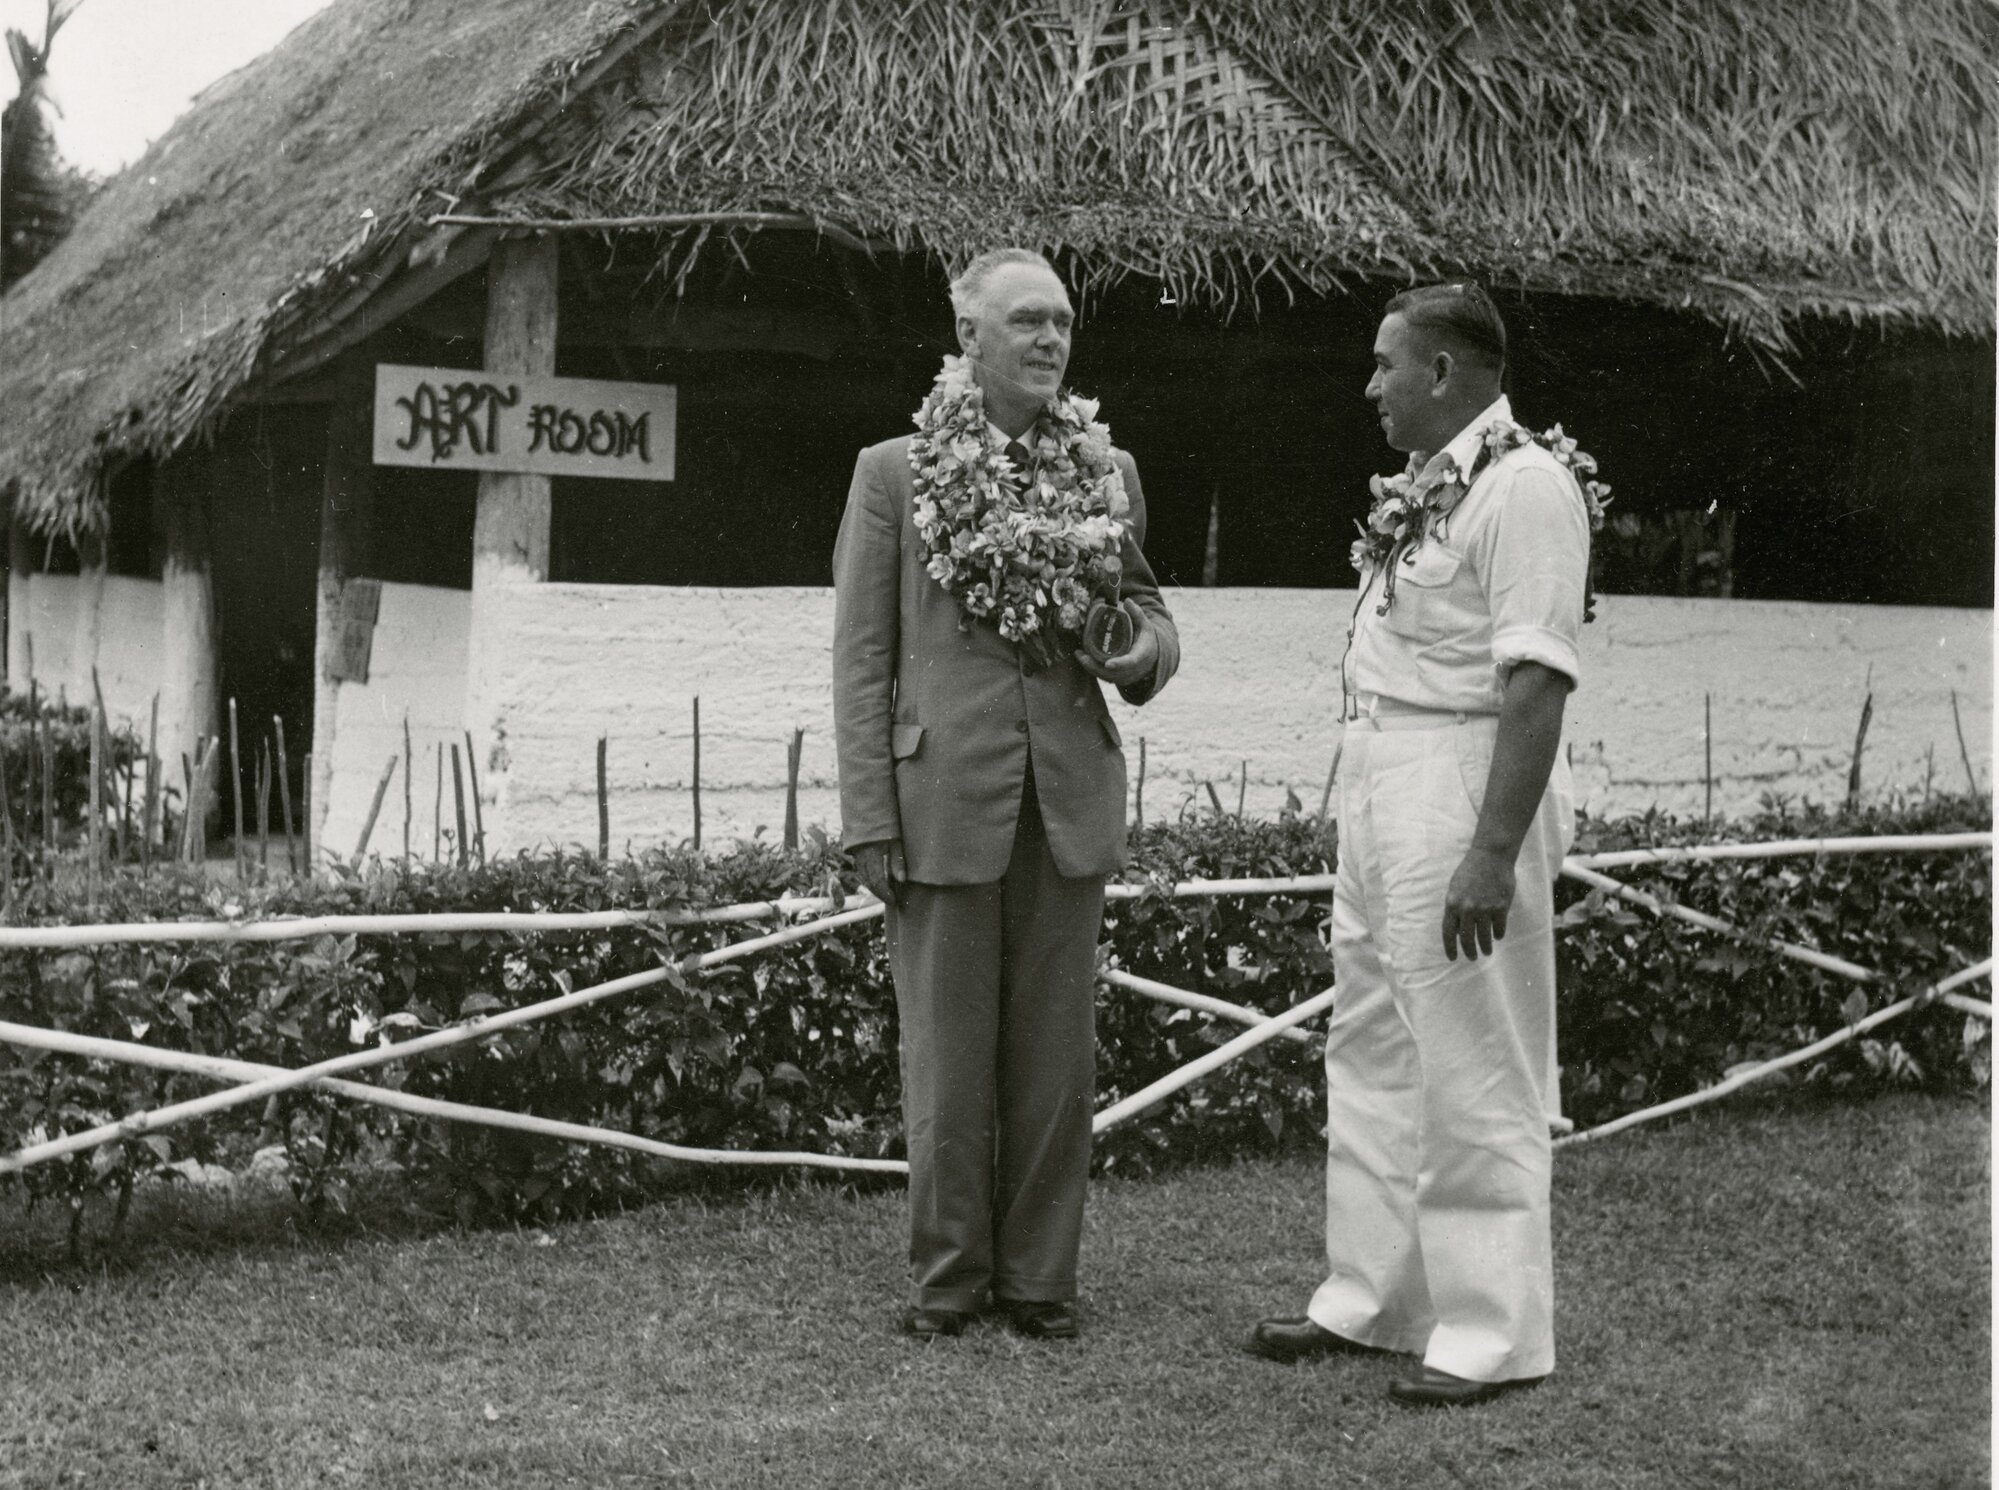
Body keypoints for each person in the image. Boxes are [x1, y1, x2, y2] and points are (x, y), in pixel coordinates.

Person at [1245, 282, 1591, 1407]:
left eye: (1387, 363)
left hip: (1460, 778)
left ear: (1443, 372)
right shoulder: (1431, 488)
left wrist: (1490, 851)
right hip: (1383, 774)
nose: (1371, 385)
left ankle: (1489, 1330)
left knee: (1474, 1054)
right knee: (1376, 1042)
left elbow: (1535, 680)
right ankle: (1372, 1295)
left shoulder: (1524, 488)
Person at [832, 247, 1179, 1342]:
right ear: (968, 338)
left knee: (1054, 1062)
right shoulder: (894, 472)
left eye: (1063, 322)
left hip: (1066, 801)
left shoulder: (1106, 471)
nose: (1049, 340)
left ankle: (1039, 1281)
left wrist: (1134, 653)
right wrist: (868, 818)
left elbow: (1151, 622)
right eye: (1024, 320)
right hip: (939, 802)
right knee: (944, 1058)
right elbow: (861, 659)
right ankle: (947, 1281)